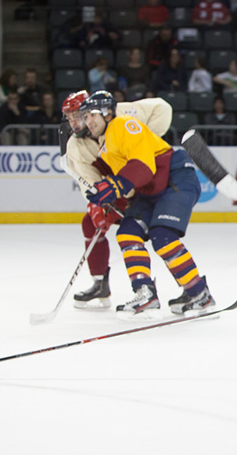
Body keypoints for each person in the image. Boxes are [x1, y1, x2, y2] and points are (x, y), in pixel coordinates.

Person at [78, 91, 212, 315]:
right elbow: (129, 181)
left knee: (162, 235)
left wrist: (115, 186)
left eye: (92, 114)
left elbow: (143, 166)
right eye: (85, 116)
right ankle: (145, 293)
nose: (88, 121)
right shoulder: (105, 146)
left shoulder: (123, 125)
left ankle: (199, 293)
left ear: (108, 113)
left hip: (174, 178)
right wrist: (110, 201)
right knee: (128, 233)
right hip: (150, 190)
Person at [59, 90, 174, 309]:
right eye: (69, 116)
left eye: (77, 114)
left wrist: (145, 143)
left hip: (149, 178)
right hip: (119, 190)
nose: (73, 121)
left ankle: (189, 286)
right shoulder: (76, 145)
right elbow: (89, 181)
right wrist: (97, 206)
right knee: (90, 223)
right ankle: (100, 283)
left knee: (160, 233)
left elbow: (162, 107)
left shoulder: (120, 115)